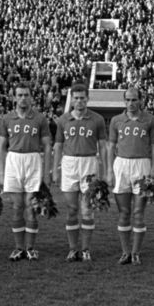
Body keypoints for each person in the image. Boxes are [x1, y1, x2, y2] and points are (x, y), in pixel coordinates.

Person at [53, 83, 108, 262]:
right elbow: (58, 145)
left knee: (87, 209)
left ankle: (85, 249)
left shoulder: (97, 119)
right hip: (69, 164)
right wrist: (55, 170)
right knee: (71, 209)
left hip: (89, 164)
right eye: (76, 98)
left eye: (82, 98)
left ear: (87, 99)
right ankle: (72, 248)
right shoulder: (63, 120)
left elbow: (103, 146)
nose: (79, 101)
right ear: (72, 99)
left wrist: (106, 170)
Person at [0, 82, 52, 261]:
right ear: (14, 97)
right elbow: (1, 147)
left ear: (31, 97)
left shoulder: (40, 119)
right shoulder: (7, 119)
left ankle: (30, 247)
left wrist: (46, 172)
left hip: (33, 160)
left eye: (26, 95)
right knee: (17, 206)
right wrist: (0, 172)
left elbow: (47, 146)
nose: (23, 98)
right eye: (19, 95)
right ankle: (18, 247)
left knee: (31, 206)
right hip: (13, 160)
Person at [106, 87, 154, 266]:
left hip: (142, 165)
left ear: (140, 100)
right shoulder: (116, 120)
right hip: (121, 164)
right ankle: (125, 251)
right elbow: (111, 146)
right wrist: (108, 170)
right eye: (127, 100)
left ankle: (136, 252)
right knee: (124, 212)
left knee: (138, 212)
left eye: (134, 100)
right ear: (124, 101)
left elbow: (153, 146)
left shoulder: (150, 120)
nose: (131, 103)